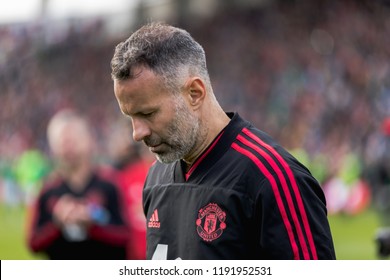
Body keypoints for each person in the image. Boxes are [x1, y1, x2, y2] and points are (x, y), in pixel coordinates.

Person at [110, 22, 336, 260]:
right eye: (130, 117)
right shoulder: (156, 179)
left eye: (148, 114)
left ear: (195, 93)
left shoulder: (273, 178)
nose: (137, 133)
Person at [27, 109, 130, 259]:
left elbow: (126, 236)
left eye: (73, 139)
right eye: (62, 140)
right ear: (52, 145)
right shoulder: (46, 190)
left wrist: (92, 225)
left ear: (89, 140)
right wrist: (57, 224)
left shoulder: (111, 184)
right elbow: (33, 243)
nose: (68, 146)